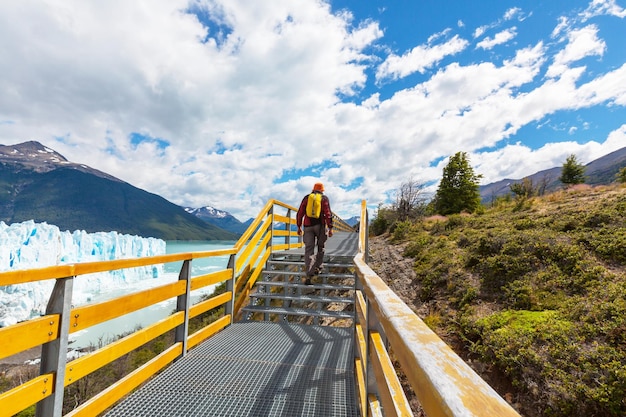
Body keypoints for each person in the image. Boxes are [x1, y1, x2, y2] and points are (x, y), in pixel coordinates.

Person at [296, 182, 333, 284]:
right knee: (321, 246)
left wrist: (299, 226)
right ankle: (318, 267)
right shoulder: (324, 199)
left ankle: (309, 274)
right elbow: (328, 213)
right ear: (322, 190)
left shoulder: (307, 198)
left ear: (313, 189)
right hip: (320, 226)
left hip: (307, 227)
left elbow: (300, 213)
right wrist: (330, 228)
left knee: (309, 249)